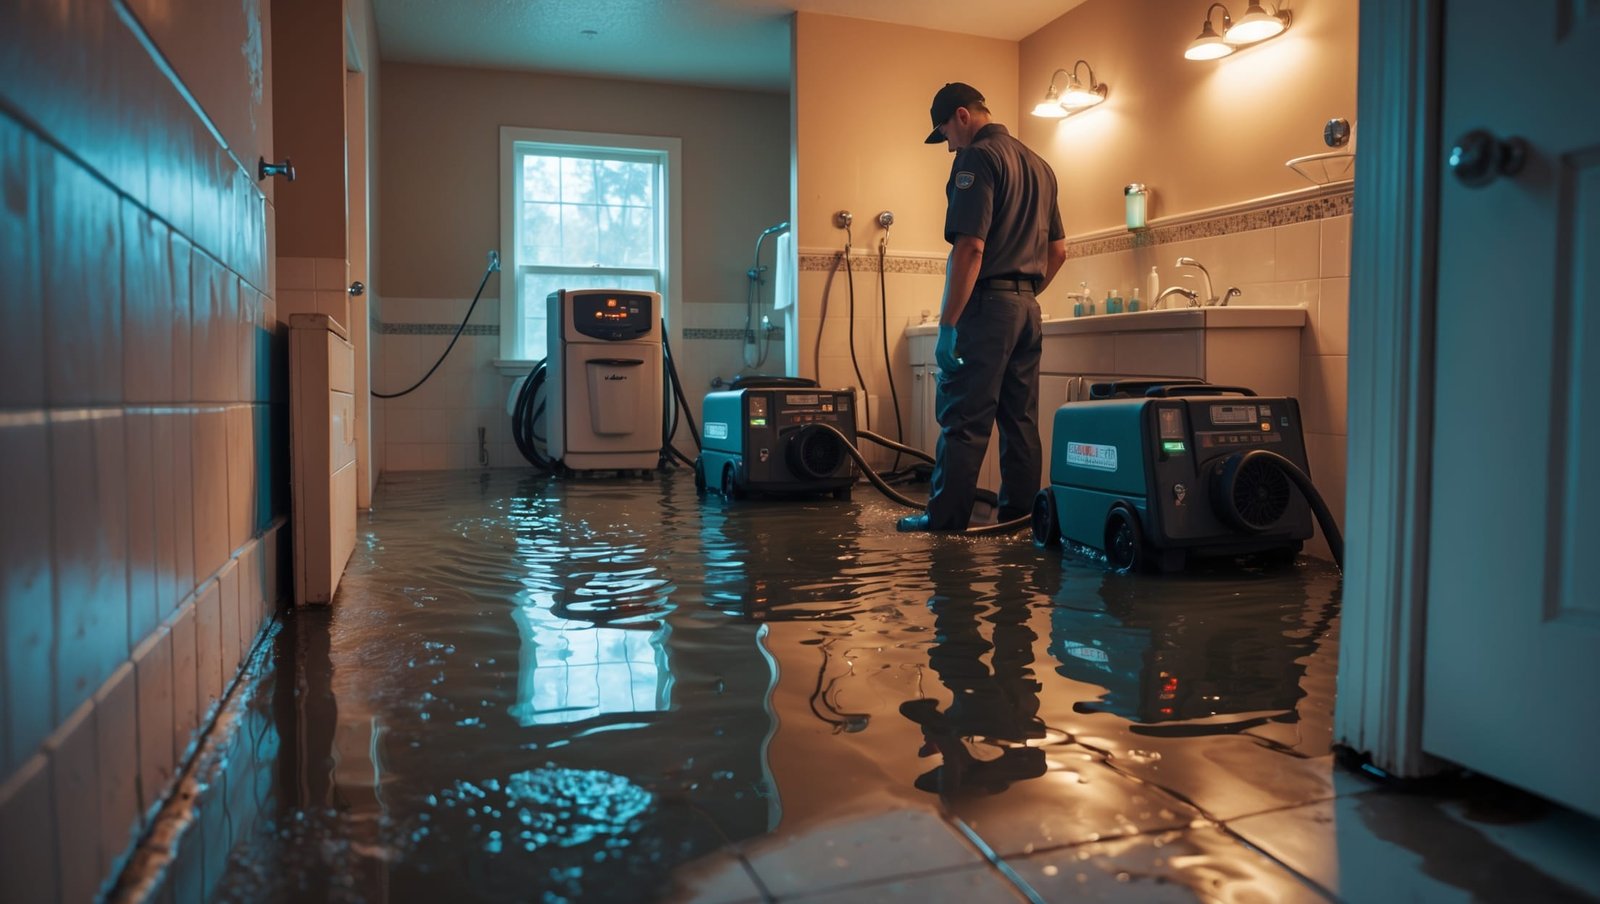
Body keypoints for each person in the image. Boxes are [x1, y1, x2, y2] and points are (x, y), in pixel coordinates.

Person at [898, 82, 1068, 533]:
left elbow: (970, 248)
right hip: (1028, 311)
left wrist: (949, 323)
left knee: (964, 420)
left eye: (946, 134)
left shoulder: (977, 158)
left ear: (962, 116)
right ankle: (1021, 521)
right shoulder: (1041, 165)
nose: (949, 146)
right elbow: (1059, 252)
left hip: (988, 308)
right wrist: (1024, 296)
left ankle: (944, 522)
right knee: (1021, 422)